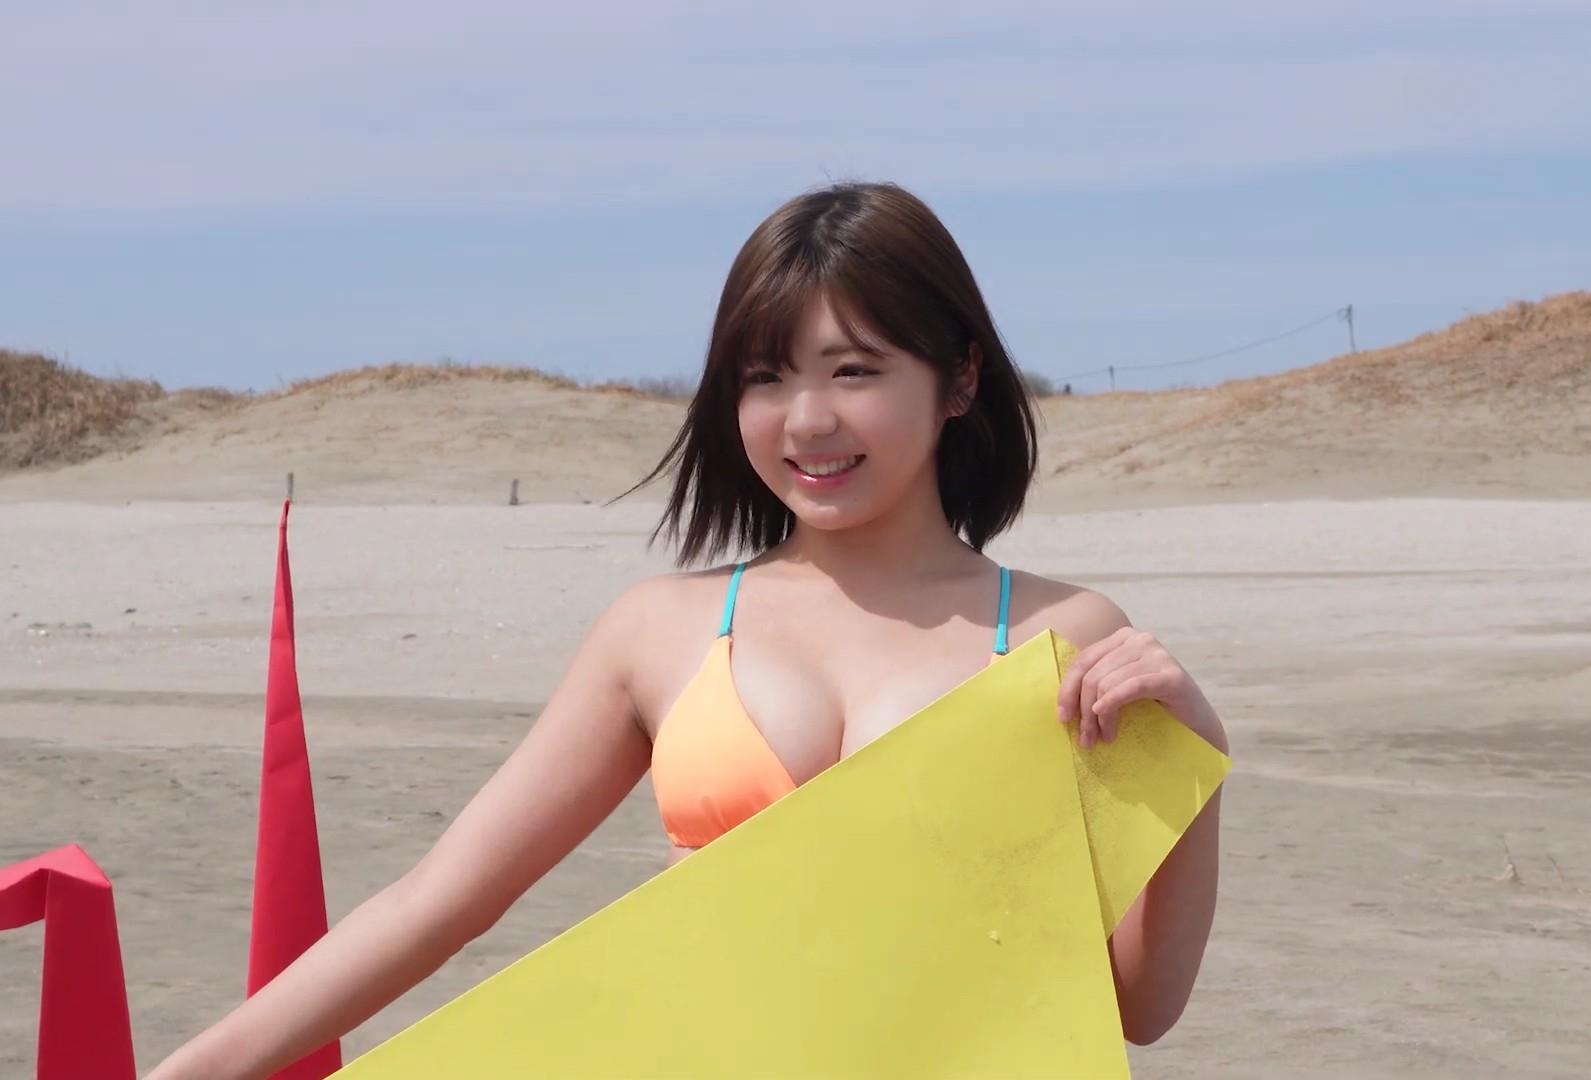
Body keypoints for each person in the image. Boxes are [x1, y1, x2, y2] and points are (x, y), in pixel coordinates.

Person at [150, 181, 1230, 1078]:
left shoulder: (1060, 636)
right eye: (766, 377)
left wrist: (1195, 760)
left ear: (960, 378)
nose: (807, 419)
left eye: (854, 370)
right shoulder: (660, 631)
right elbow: (435, 905)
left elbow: (1136, 1005)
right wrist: (193, 1072)